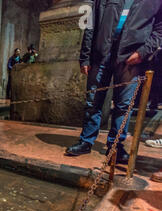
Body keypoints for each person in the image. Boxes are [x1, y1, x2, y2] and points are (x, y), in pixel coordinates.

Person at [65, 0, 162, 164]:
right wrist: (85, 56)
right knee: (93, 100)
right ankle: (86, 141)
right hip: (101, 53)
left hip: (131, 56)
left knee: (124, 105)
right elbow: (90, 23)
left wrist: (143, 52)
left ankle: (116, 146)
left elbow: (160, 29)